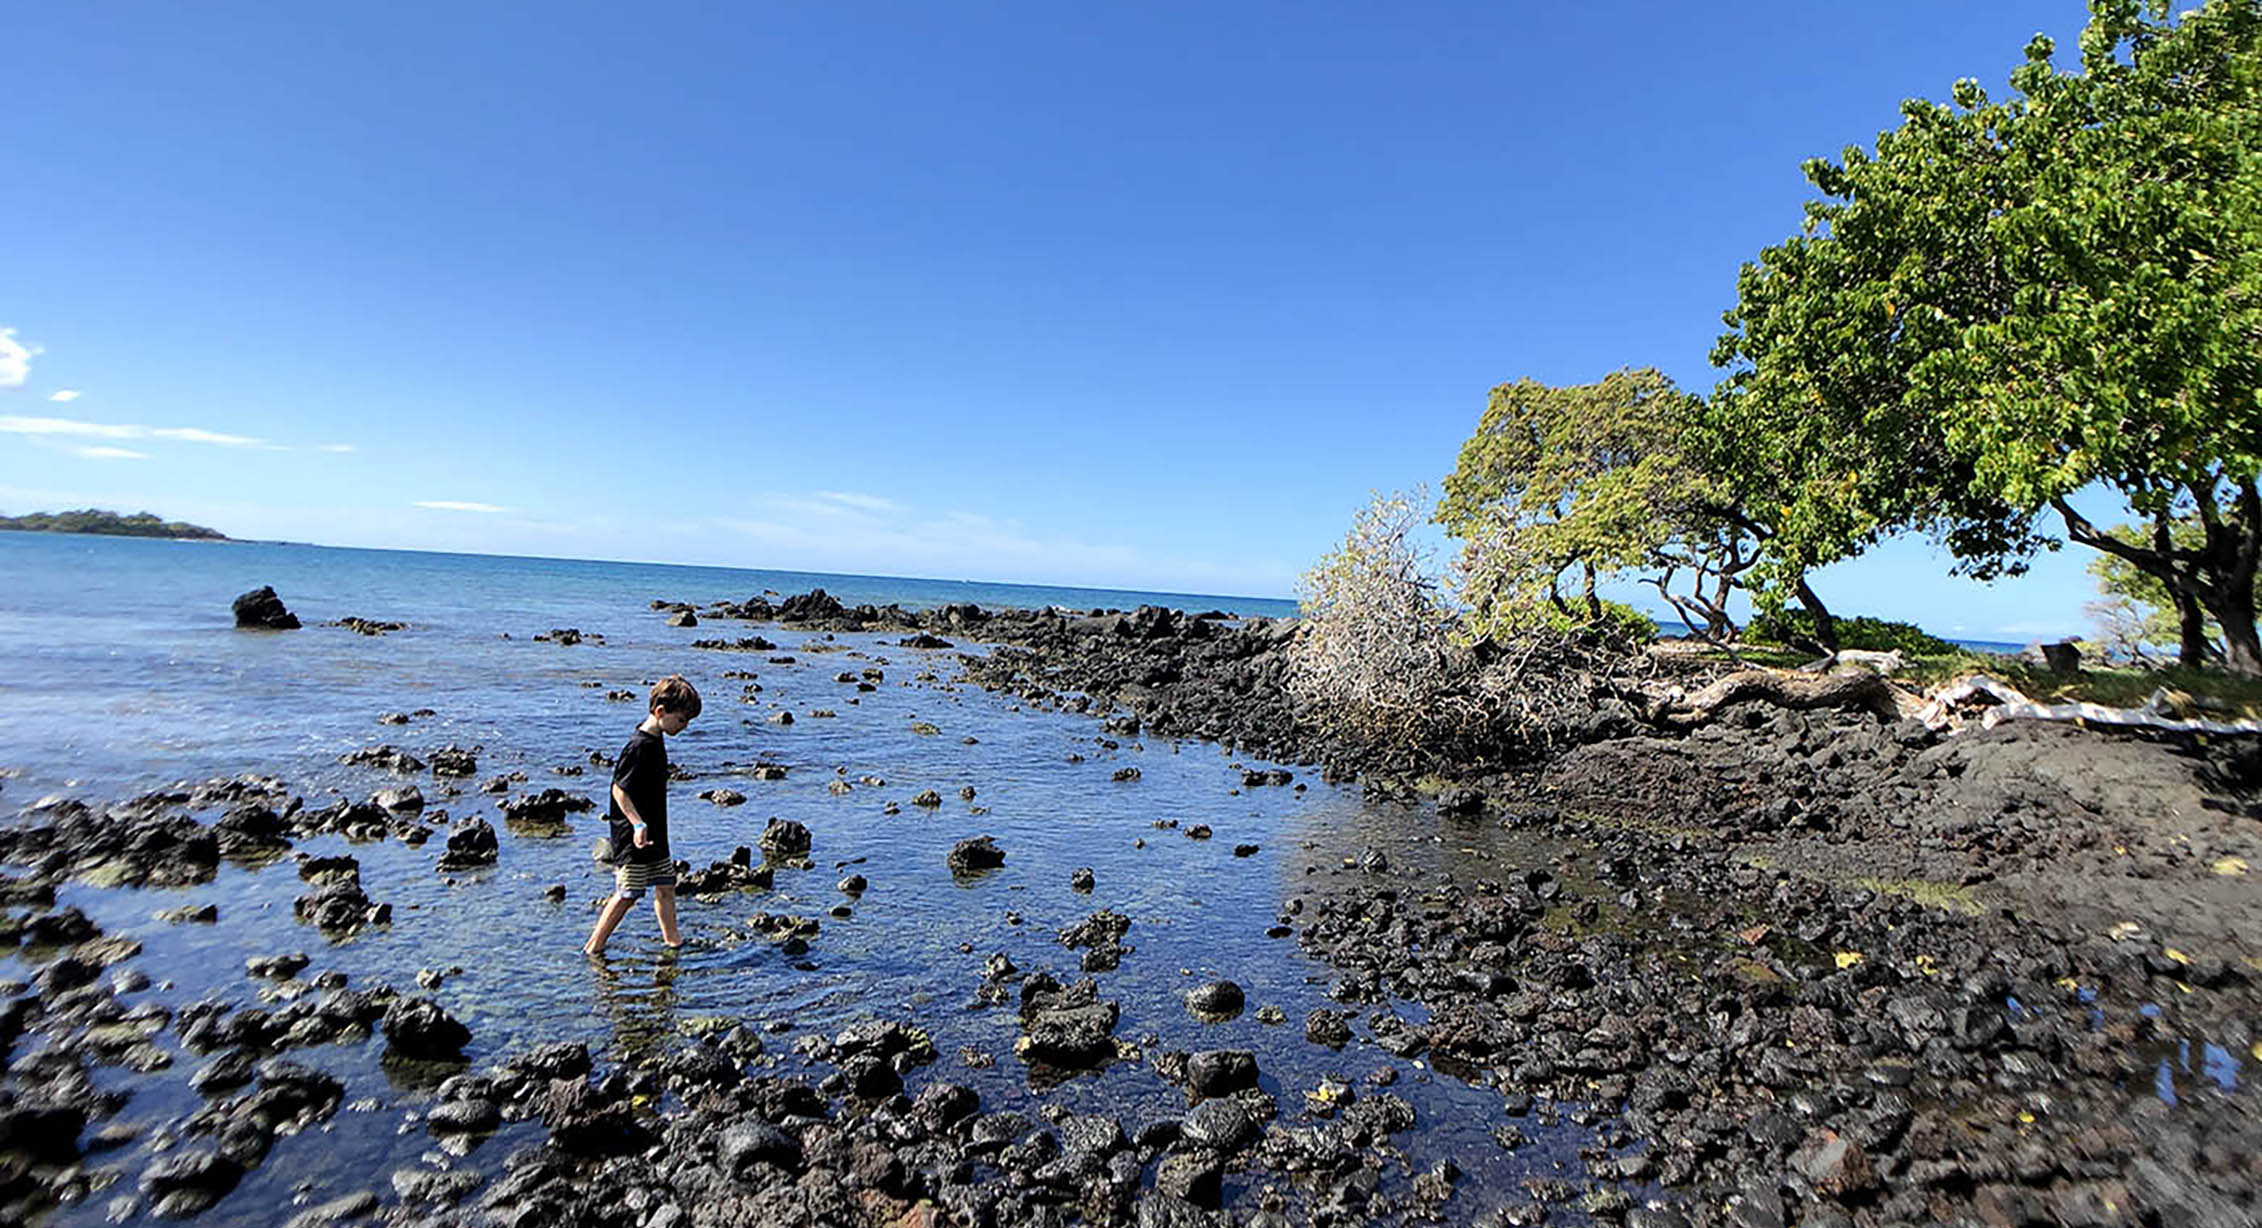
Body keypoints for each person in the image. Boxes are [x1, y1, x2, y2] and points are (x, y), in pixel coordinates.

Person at [583, 674, 701, 956]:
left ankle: (673, 942)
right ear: (660, 712)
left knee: (666, 884)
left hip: (654, 832)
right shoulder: (638, 746)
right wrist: (637, 824)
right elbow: (618, 790)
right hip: (634, 834)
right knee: (628, 893)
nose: (684, 727)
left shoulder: (656, 738)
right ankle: (594, 946)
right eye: (682, 720)